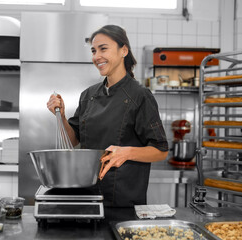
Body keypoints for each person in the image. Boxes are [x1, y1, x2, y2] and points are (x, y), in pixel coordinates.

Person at [47, 25, 168, 207]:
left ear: (123, 51)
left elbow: (160, 150)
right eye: (94, 51)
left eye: (103, 49)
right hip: (86, 194)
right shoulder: (88, 95)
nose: (97, 57)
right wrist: (61, 117)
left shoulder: (139, 95)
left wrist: (126, 152)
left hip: (123, 200)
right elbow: (73, 141)